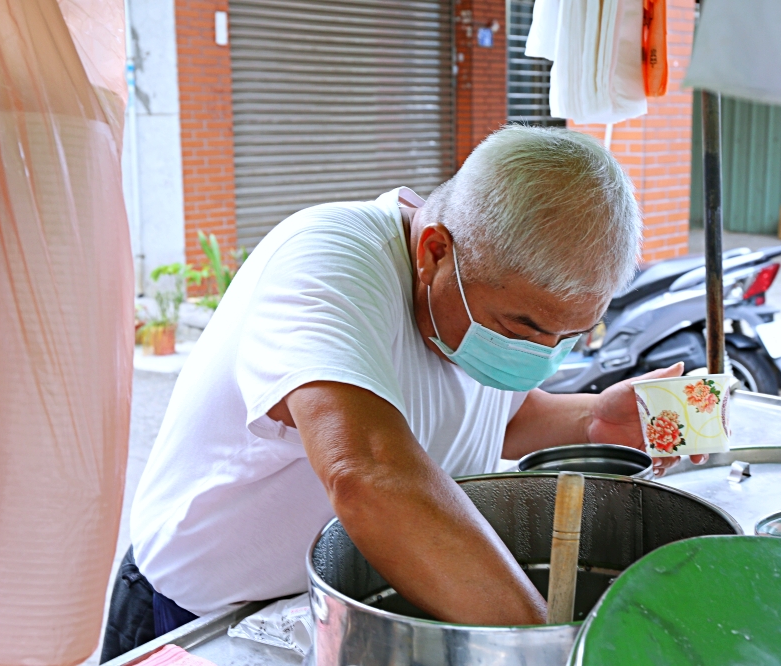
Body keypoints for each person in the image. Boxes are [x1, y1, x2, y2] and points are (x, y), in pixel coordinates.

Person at [100, 125, 703, 661]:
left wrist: (594, 416)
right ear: (434, 251)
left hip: (333, 609)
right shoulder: (327, 258)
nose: (542, 353)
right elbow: (368, 474)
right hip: (206, 619)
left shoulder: (472, 299)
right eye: (524, 328)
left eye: (570, 336)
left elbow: (500, 416)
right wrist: (547, 646)